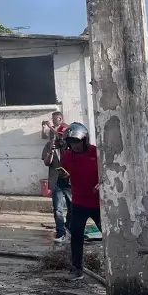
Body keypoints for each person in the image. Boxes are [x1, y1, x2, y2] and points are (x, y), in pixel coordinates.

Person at [60, 121, 101, 281]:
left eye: (76, 142)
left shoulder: (96, 153)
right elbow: (65, 175)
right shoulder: (67, 156)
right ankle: (76, 268)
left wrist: (102, 183)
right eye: (71, 142)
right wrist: (64, 177)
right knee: (76, 235)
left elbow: (108, 173)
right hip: (78, 203)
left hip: (98, 204)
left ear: (84, 139)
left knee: (109, 234)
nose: (74, 145)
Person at [42, 112, 71, 242]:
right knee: (58, 208)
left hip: (70, 180)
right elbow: (47, 162)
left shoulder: (68, 144)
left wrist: (51, 127)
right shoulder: (49, 145)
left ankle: (69, 227)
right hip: (56, 180)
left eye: (55, 120)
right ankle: (61, 233)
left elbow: (61, 135)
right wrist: (51, 152)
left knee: (72, 207)